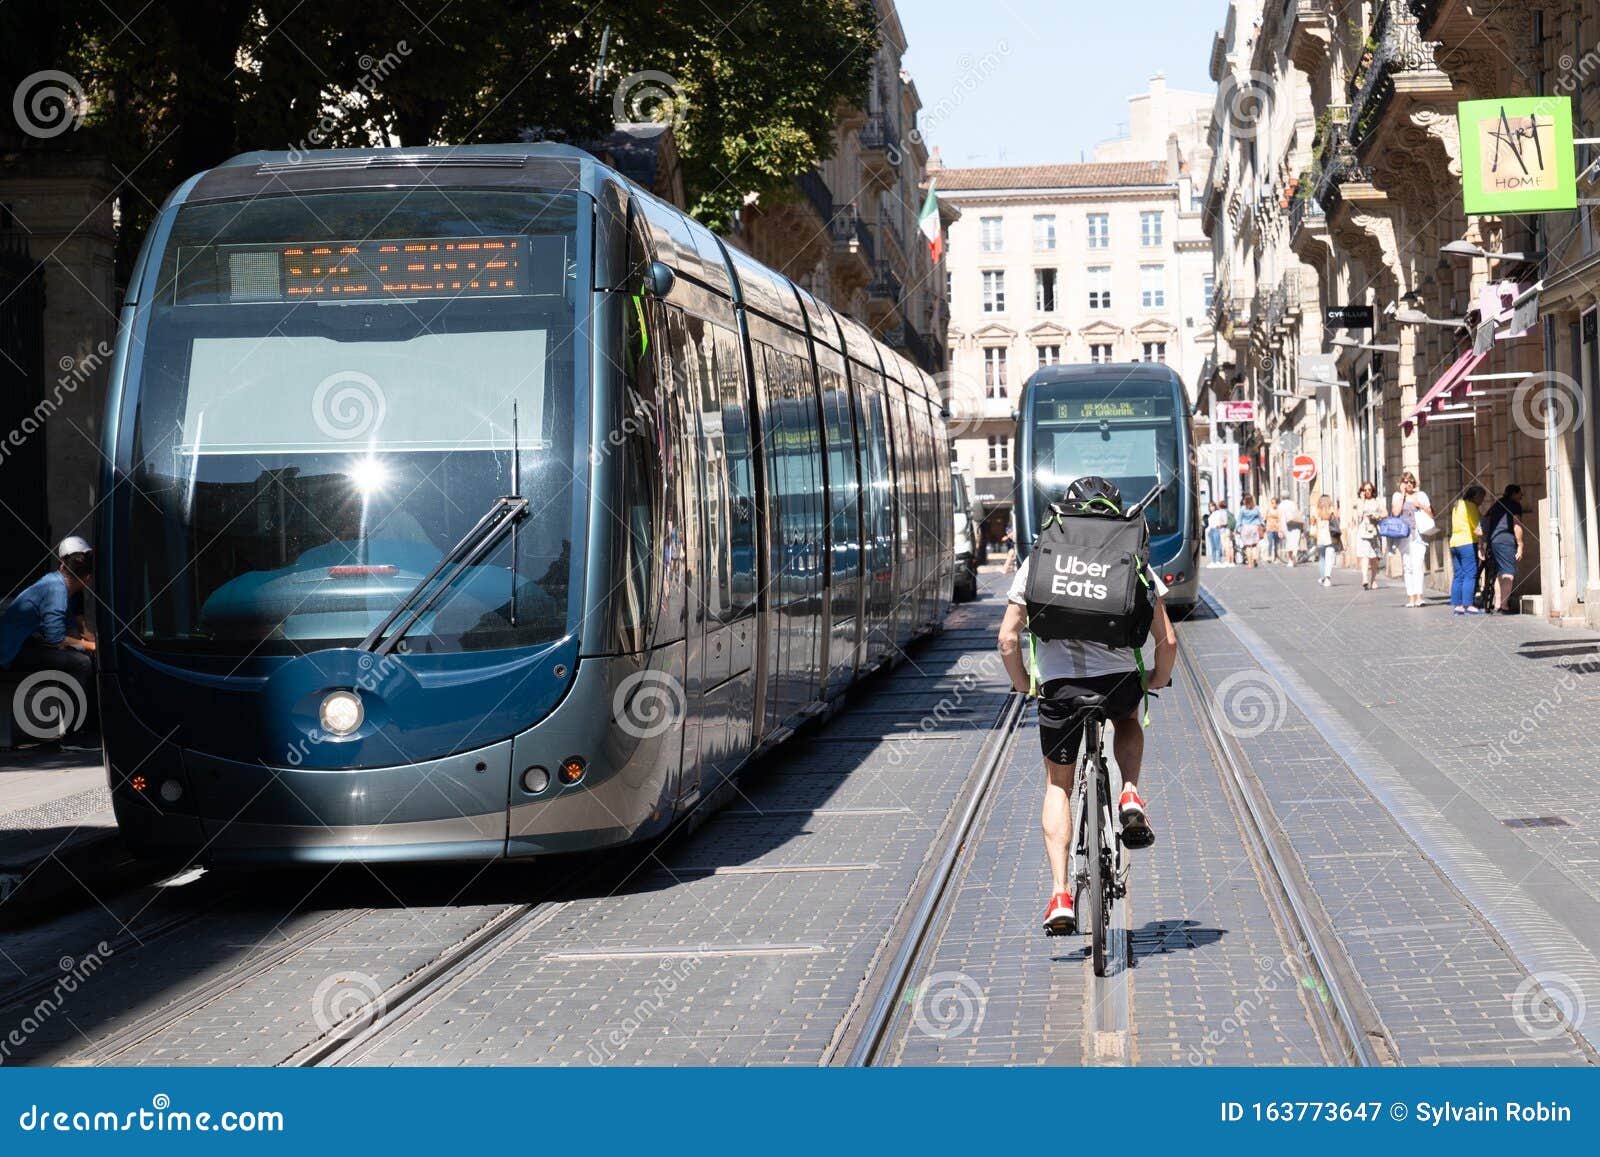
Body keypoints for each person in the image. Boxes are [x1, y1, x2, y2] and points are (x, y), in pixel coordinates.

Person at [997, 477, 1179, 936]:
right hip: (1117, 683)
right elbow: (1168, 641)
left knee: (1058, 787)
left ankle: (1060, 894)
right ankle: (1130, 792)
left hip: (1059, 689)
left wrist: (1024, 684)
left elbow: (1007, 638)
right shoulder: (1133, 558)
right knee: (1127, 719)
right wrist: (1155, 677)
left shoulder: (1039, 559)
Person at [0, 537, 98, 745]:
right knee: (82, 664)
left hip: (26, 644)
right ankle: (75, 734)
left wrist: (86, 641)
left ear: (63, 565)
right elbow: (56, 639)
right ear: (88, 579)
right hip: (11, 652)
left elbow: (65, 626)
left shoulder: (57, 583)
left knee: (83, 657)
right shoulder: (57, 591)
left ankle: (91, 727)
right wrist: (90, 645)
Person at [1390, 471, 1433, 608]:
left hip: (1418, 535)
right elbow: (1396, 512)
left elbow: (1431, 513)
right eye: (1406, 482)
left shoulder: (1421, 495)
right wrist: (1403, 495)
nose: (1409, 484)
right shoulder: (1397, 496)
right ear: (1401, 483)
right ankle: (1411, 597)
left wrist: (1419, 504)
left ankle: (1419, 596)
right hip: (1404, 536)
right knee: (1407, 566)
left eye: (1411, 482)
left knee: (1418, 564)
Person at [1482, 484, 1525, 613]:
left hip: (1493, 541)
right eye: (1520, 493)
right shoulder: (1514, 505)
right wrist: (1520, 544)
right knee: (1508, 574)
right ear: (1514, 494)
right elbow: (1516, 525)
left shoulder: (1498, 503)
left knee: (1500, 573)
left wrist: (1483, 542)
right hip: (1506, 541)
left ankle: (1498, 604)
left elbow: (1485, 519)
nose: (1521, 496)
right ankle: (1504, 606)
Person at [1447, 485, 1488, 616]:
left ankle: (1458, 606)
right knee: (1470, 574)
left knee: (1459, 575)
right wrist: (1481, 546)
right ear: (1475, 496)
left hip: (1454, 543)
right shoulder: (1470, 506)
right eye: (1481, 497)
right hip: (1467, 543)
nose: (1482, 501)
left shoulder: (1457, 506)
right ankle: (1468, 605)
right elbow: (1478, 528)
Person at [1353, 480, 1384, 590]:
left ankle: (1374, 579)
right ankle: (1365, 578)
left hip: (1375, 530)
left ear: (1372, 490)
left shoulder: (1377, 501)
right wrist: (1361, 500)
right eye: (1364, 490)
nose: (1367, 492)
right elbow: (1360, 514)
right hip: (1363, 530)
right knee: (1364, 555)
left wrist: (1376, 515)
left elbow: (1384, 513)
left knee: (1374, 557)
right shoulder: (1360, 501)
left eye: (1369, 489)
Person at [1310, 495, 1341, 586]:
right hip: (1330, 537)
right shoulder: (1331, 510)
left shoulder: (1315, 510)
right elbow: (1337, 520)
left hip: (1320, 538)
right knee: (1329, 559)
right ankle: (1327, 578)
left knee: (1322, 558)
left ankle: (1322, 577)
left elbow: (1312, 522)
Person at [1237, 494, 1265, 567]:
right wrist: (1263, 525)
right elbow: (1260, 518)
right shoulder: (1256, 508)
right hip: (1254, 527)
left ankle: (1249, 563)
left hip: (1245, 528)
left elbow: (1239, 520)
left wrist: (1236, 529)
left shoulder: (1243, 509)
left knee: (1248, 546)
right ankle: (1255, 558)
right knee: (1255, 545)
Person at [1276, 493, 1303, 565]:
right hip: (1296, 524)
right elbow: (1298, 513)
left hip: (1286, 525)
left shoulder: (1281, 505)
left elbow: (1279, 517)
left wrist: (1279, 529)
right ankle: (1294, 555)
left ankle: (1290, 560)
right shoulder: (1293, 503)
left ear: (1282, 497)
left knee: (1289, 542)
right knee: (1295, 542)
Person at [1206, 501, 1232, 567]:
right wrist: (1207, 530)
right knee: (1213, 547)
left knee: (1218, 546)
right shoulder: (1211, 515)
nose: (1211, 508)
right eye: (1210, 506)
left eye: (1212, 506)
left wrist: (1218, 525)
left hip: (1216, 529)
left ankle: (1219, 560)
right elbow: (1210, 524)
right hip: (1210, 530)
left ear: (1215, 506)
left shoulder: (1218, 513)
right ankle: (1213, 561)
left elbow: (1221, 521)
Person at [1264, 497, 1282, 563]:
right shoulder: (1268, 510)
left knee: (1276, 544)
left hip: (1277, 528)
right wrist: (1265, 528)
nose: (1273, 504)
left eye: (1274, 503)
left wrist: (1280, 529)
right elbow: (1265, 519)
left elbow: (1280, 520)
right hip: (1269, 528)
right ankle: (1269, 556)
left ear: (1277, 503)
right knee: (1270, 543)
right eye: (1272, 503)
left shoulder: (1279, 510)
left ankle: (1276, 557)